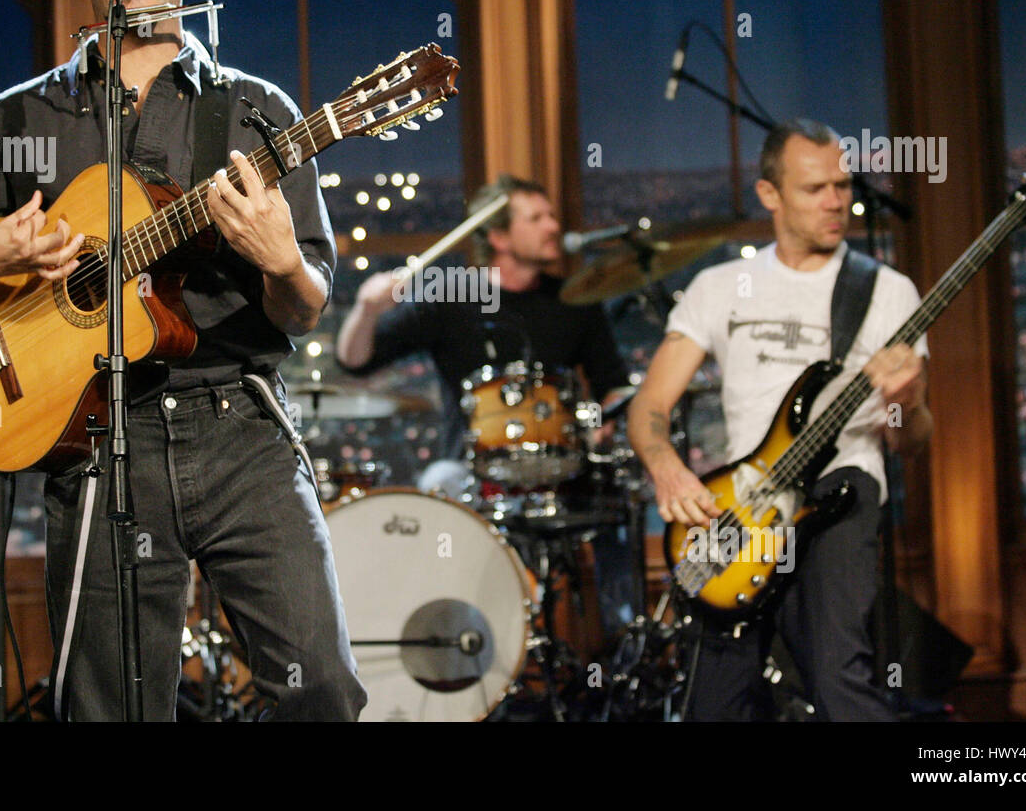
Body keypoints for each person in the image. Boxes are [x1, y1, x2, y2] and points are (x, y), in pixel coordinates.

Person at [0, 0, 365, 721]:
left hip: (238, 427)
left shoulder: (255, 114)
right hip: (92, 439)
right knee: (106, 710)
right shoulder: (20, 120)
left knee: (319, 686)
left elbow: (305, 307)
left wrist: (282, 261)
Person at [627, 119, 932, 721]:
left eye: (843, 186)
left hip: (839, 491)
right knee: (712, 704)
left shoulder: (888, 292)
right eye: (814, 188)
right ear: (769, 195)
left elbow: (910, 441)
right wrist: (666, 467)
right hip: (742, 506)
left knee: (838, 676)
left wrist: (909, 399)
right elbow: (650, 406)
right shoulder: (719, 286)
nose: (835, 202)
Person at [336, 174, 637, 628]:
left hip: (563, 473)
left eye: (552, 214)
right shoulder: (452, 296)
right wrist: (367, 309)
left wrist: (603, 420)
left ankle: (623, 643)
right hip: (472, 472)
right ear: (497, 236)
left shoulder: (576, 299)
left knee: (620, 497)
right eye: (536, 218)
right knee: (439, 481)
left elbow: (612, 385)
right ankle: (455, 644)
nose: (553, 225)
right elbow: (355, 361)